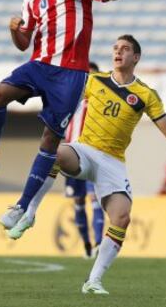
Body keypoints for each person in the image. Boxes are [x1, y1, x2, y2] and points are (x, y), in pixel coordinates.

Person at [7, 34, 166, 294]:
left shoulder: (145, 94)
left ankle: (93, 281)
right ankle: (30, 212)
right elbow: (62, 92)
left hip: (113, 163)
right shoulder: (94, 81)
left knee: (121, 217)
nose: (118, 52)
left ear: (136, 57)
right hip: (84, 150)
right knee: (52, 153)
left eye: (125, 49)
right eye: (115, 48)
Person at [0, 0, 120, 232]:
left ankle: (22, 207)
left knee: (49, 142)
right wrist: (15, 31)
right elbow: (24, 42)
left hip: (70, 75)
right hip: (39, 65)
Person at [64, 62, 104, 258]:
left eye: (93, 77)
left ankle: (98, 244)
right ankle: (87, 245)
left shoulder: (100, 104)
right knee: (78, 201)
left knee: (95, 199)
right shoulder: (70, 102)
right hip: (71, 157)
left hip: (92, 156)